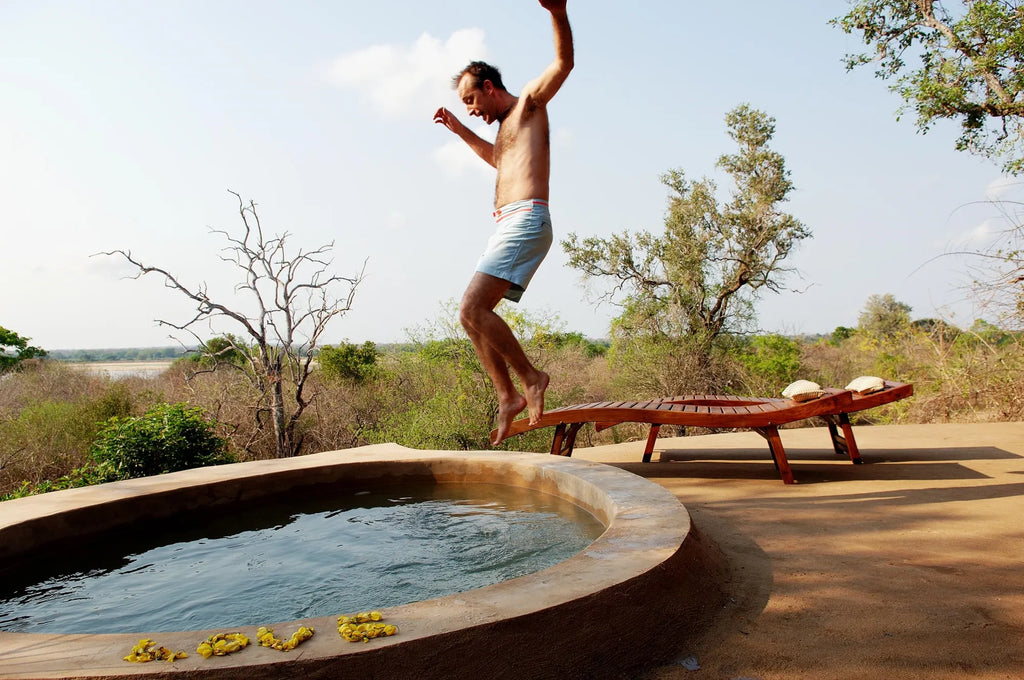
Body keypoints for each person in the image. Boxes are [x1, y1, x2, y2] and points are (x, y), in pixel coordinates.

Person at [433, 0, 573, 446]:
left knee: (473, 309)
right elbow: (497, 161)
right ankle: (507, 394)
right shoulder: (504, 132)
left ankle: (530, 379)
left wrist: (557, 11)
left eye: (471, 100)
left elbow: (563, 63)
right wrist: (460, 131)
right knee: (469, 317)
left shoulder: (529, 105)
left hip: (527, 219)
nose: (471, 108)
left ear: (490, 86)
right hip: (509, 223)